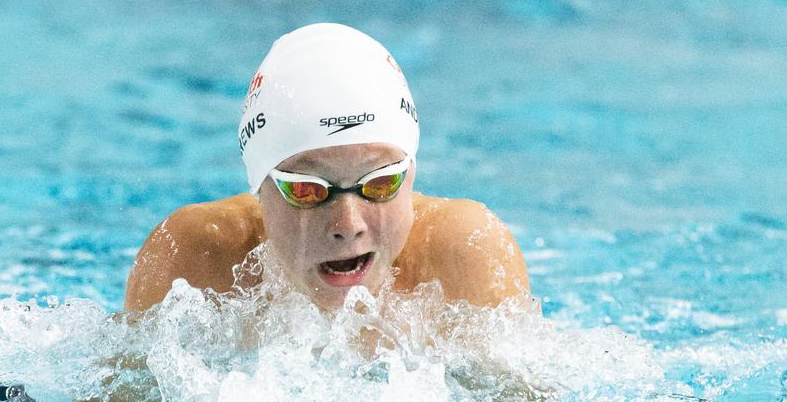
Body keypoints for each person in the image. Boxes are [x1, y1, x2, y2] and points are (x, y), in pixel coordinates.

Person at [123, 23, 536, 315]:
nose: (347, 223)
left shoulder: (466, 254)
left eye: (379, 183)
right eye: (308, 190)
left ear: (410, 175)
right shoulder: (193, 264)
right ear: (259, 188)